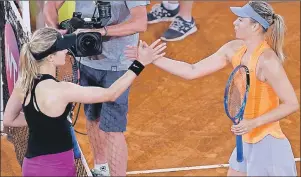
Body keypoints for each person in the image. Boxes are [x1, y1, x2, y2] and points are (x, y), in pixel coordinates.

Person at [125, 1, 299, 176]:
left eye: (240, 20)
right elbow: (192, 70)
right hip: (246, 138)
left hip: (267, 144)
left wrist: (253, 123)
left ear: (255, 27)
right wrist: (151, 59)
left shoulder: (268, 61)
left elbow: (291, 103)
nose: (234, 22)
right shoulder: (233, 49)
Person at [3, 27, 166, 176]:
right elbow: (111, 94)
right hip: (57, 168)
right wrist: (140, 64)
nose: (66, 51)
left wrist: (42, 121)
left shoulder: (24, 82)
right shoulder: (62, 90)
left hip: (31, 166)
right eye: (62, 48)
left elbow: (10, 119)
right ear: (51, 58)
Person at [44, 1, 150, 176]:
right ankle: (101, 169)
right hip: (85, 59)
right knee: (93, 117)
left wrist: (101, 32)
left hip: (117, 65)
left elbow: (140, 22)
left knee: (113, 129)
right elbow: (51, 4)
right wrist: (55, 28)